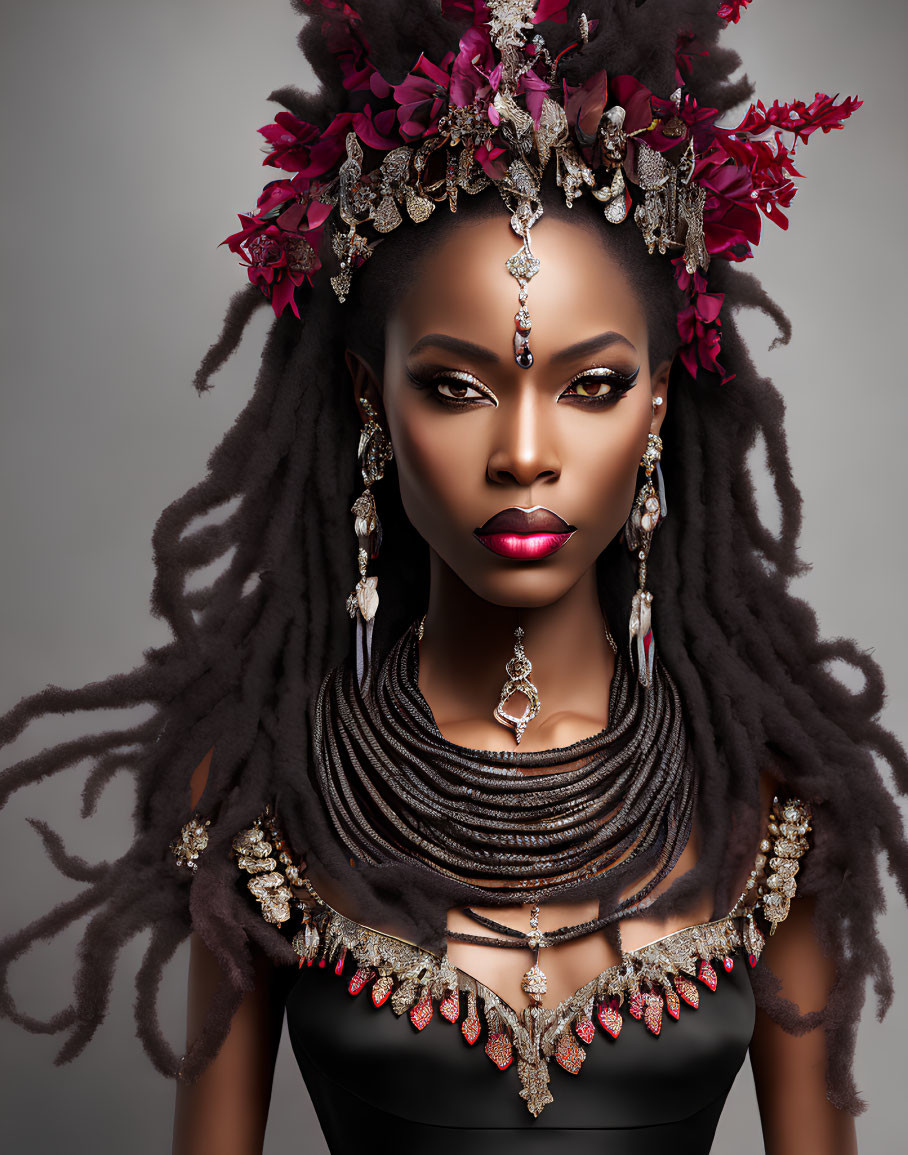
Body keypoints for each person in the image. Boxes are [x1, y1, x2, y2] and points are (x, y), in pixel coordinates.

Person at [1, 2, 905, 1153]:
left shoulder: (770, 802)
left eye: (589, 386)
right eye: (456, 386)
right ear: (371, 401)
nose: (522, 454)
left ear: (660, 407)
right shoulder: (259, 795)